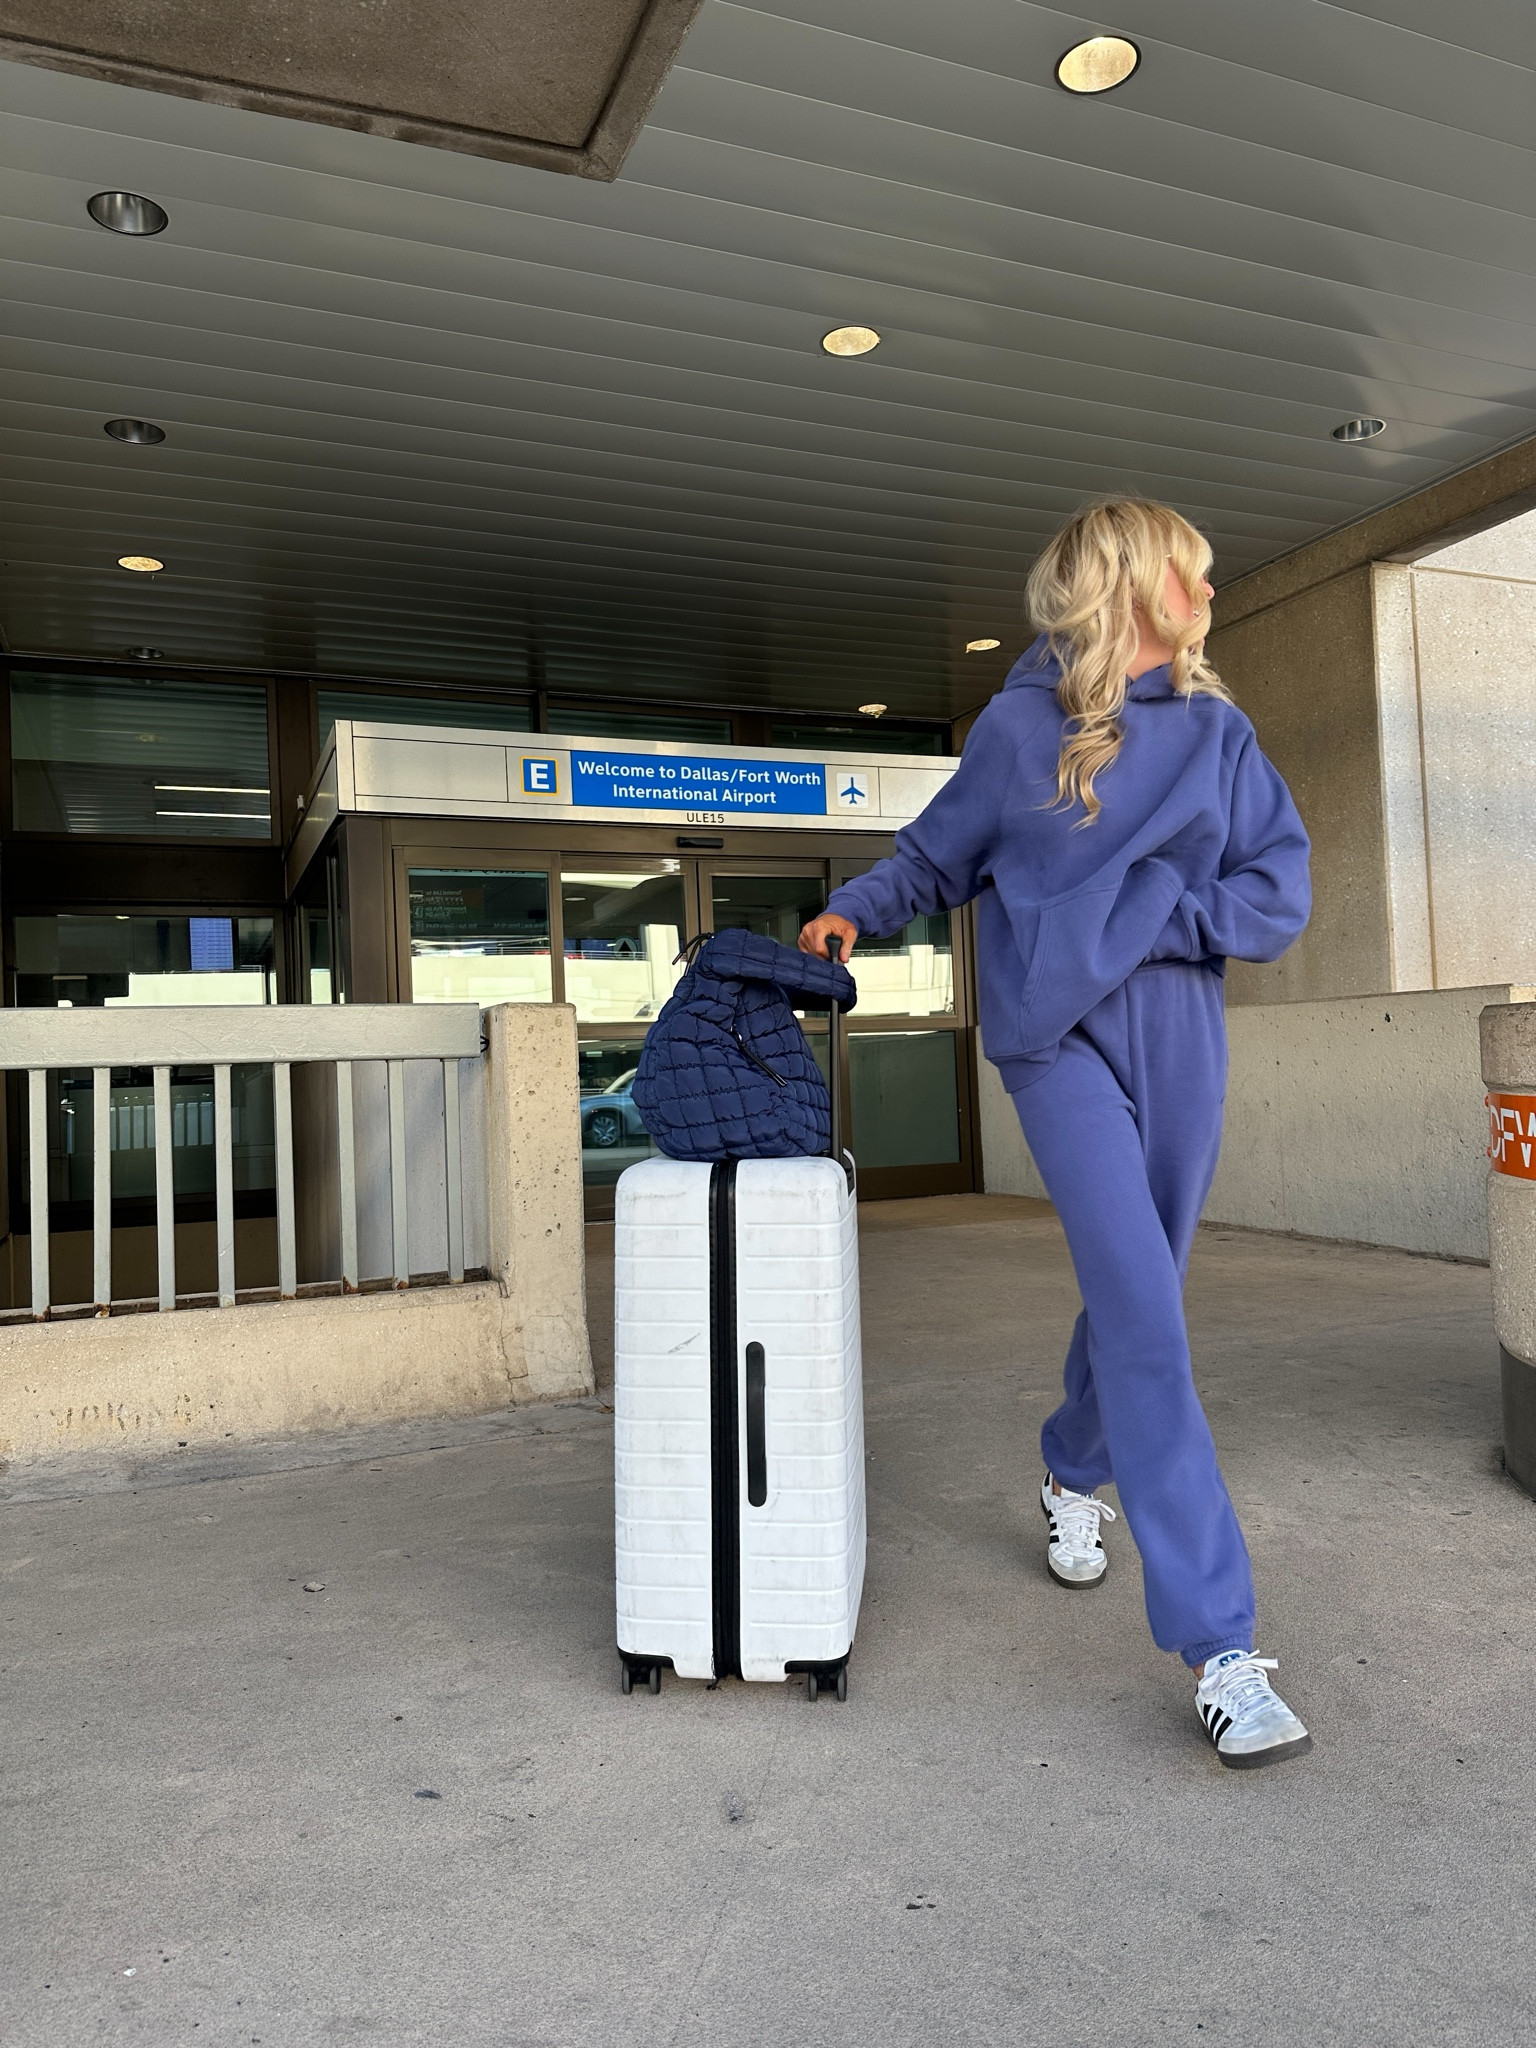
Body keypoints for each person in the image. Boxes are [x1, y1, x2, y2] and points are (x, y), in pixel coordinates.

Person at [800, 498, 1313, 1769]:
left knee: (1149, 1291)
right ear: (1133, 586)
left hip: (1181, 1021)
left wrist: (1163, 912)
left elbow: (1277, 887)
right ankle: (1221, 1643)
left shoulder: (1221, 732)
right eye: (1191, 571)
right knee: (1143, 1307)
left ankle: (1068, 1461)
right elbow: (936, 855)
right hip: (1052, 1040)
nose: (1209, 587)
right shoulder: (1020, 725)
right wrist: (854, 912)